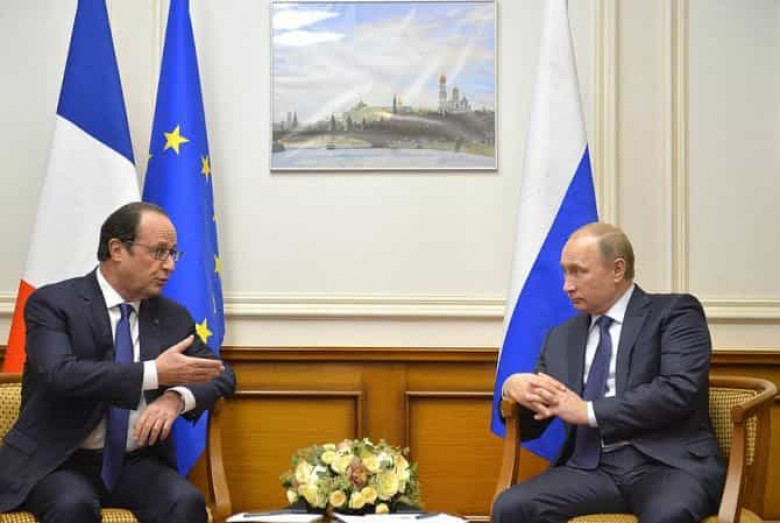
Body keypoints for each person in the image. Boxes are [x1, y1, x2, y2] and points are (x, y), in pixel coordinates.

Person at [0, 202, 236, 523]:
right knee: (74, 506)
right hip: (58, 460)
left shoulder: (171, 316)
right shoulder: (54, 304)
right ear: (117, 250)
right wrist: (154, 373)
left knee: (185, 502)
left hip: (134, 462)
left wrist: (176, 398)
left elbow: (221, 374)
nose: (169, 266)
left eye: (172, 254)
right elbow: (59, 373)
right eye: (159, 252)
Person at [492, 223, 725, 523]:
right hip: (592, 468)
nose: (567, 286)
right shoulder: (561, 336)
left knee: (668, 515)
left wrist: (588, 411)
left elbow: (678, 391)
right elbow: (533, 425)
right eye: (565, 272)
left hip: (668, 466)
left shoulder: (674, 313)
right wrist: (513, 387)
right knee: (511, 507)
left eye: (578, 272)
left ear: (617, 270)